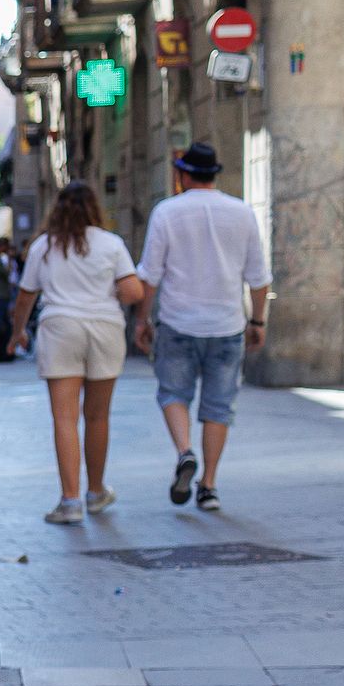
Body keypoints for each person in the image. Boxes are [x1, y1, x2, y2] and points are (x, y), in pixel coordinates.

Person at [133, 141, 272, 511]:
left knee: (172, 393)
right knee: (218, 407)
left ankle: (184, 452)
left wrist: (142, 318)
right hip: (227, 324)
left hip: (178, 322)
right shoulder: (242, 213)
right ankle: (208, 485)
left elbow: (149, 276)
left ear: (183, 175)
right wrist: (257, 320)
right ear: (214, 175)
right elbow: (259, 278)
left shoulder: (166, 213)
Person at [9, 181, 149, 525]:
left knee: (64, 418)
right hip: (104, 329)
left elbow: (26, 296)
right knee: (98, 417)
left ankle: (70, 501)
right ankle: (96, 491)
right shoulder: (111, 244)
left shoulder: (43, 246)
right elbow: (133, 291)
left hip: (59, 329)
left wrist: (17, 333)